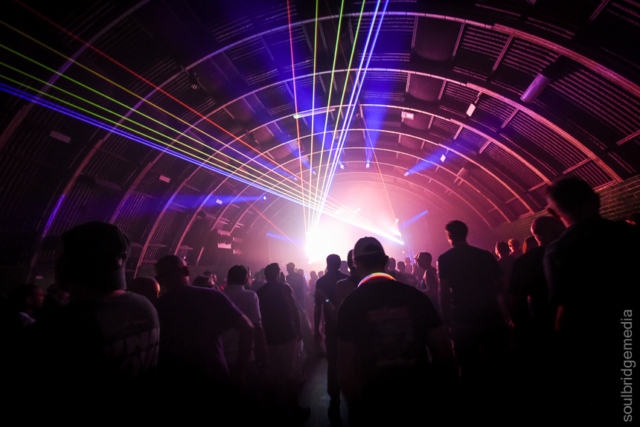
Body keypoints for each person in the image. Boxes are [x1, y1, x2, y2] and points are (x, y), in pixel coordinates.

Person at [25, 222, 160, 414]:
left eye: (63, 255)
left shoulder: (58, 329)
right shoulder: (145, 307)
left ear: (80, 261)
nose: (57, 263)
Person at [544, 177, 638, 423]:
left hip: (593, 345)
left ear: (552, 213)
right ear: (597, 200)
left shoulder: (559, 250)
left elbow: (564, 314)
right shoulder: (631, 235)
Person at [337, 237, 457, 426]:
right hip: (419, 399)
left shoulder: (349, 305)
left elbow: (345, 372)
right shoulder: (416, 297)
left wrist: (360, 409)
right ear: (386, 261)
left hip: (374, 402)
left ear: (355, 264)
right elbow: (444, 353)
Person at [154, 255, 253, 408]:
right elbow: (247, 328)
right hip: (214, 377)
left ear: (159, 279)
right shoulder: (212, 296)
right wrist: (240, 371)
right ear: (187, 270)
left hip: (173, 383)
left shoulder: (156, 307)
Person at [437, 221, 508, 386]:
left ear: (449, 235)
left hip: (462, 318)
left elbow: (444, 292)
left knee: (466, 366)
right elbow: (503, 284)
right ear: (466, 233)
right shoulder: (485, 255)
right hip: (491, 315)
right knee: (500, 361)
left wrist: (445, 320)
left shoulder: (445, 259)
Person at [256, 263, 310, 424]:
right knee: (290, 373)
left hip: (268, 336)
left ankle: (275, 410)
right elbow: (293, 309)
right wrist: (299, 328)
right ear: (278, 274)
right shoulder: (284, 288)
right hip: (285, 334)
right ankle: (294, 409)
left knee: (272, 375)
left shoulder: (259, 291)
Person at [314, 254, 349, 424]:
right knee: (350, 360)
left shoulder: (321, 281)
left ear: (327, 264)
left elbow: (318, 307)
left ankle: (334, 400)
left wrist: (316, 329)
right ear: (340, 264)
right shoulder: (347, 279)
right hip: (348, 326)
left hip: (331, 326)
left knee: (333, 363)